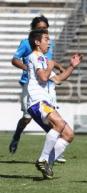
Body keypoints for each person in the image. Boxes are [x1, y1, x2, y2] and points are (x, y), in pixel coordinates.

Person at [9, 15, 66, 163]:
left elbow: (46, 61)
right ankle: (16, 136)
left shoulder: (48, 43)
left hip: (47, 85)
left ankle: (52, 151)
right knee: (27, 118)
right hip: (31, 85)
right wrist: (27, 68)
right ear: (33, 29)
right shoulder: (26, 43)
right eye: (40, 28)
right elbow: (15, 60)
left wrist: (59, 67)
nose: (43, 30)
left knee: (52, 118)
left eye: (45, 28)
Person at [27, 29, 82, 179]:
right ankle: (43, 159)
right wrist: (51, 65)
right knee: (59, 124)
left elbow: (57, 79)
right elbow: (44, 77)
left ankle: (47, 166)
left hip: (44, 103)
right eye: (46, 39)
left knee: (68, 135)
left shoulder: (43, 59)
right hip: (38, 101)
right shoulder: (36, 56)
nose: (49, 42)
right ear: (37, 42)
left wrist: (72, 66)